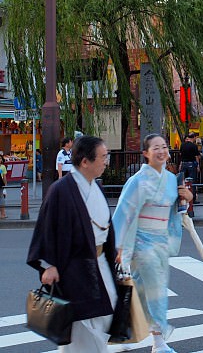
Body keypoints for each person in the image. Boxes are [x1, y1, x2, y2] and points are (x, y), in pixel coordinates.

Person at [27, 135, 117, 352]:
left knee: (104, 313)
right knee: (84, 323)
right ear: (85, 161)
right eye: (103, 157)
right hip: (74, 268)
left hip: (99, 263)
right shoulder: (61, 190)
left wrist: (114, 252)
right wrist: (49, 265)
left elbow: (106, 227)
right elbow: (47, 227)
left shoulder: (96, 187)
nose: (106, 161)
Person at [113, 134, 193, 353]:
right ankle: (158, 342)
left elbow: (177, 208)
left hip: (159, 241)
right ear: (146, 154)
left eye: (164, 147)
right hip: (140, 241)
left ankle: (123, 334)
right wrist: (118, 245)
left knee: (139, 292)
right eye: (155, 148)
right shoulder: (137, 181)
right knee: (156, 290)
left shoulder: (170, 179)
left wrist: (187, 196)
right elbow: (123, 212)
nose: (161, 151)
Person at [0, 153, 6, 219]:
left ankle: (2, 213)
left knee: (1, 197)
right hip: (1, 183)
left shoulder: (3, 167)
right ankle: (2, 214)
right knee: (1, 198)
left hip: (1, 183)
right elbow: (4, 177)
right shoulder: (3, 167)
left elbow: (4, 177)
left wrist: (5, 185)